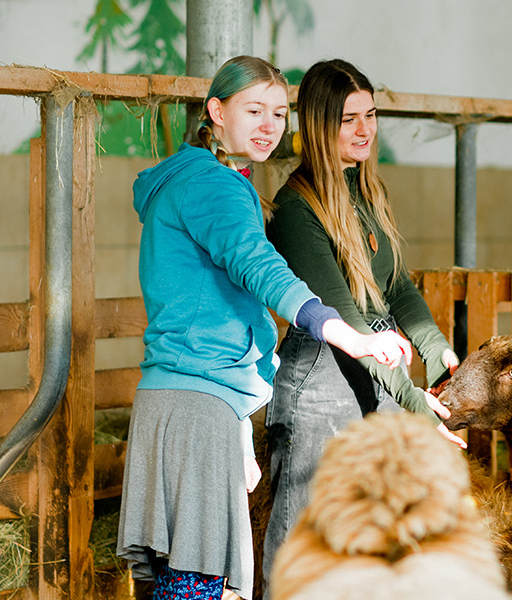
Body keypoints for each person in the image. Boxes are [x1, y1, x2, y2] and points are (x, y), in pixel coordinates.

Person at [117, 55, 415, 600]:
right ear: (217, 111)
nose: (268, 127)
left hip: (178, 400)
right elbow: (260, 267)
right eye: (254, 110)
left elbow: (211, 307)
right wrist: (344, 332)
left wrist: (240, 437)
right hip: (199, 407)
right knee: (200, 589)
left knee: (177, 587)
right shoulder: (218, 187)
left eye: (279, 115)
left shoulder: (188, 178)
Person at [261, 58, 464, 586]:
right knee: (305, 534)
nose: (364, 129)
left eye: (371, 115)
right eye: (349, 119)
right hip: (323, 380)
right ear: (320, 126)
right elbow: (349, 323)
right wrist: (418, 405)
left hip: (375, 369)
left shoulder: (369, 193)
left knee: (371, 533)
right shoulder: (298, 209)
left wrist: (436, 345)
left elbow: (396, 287)